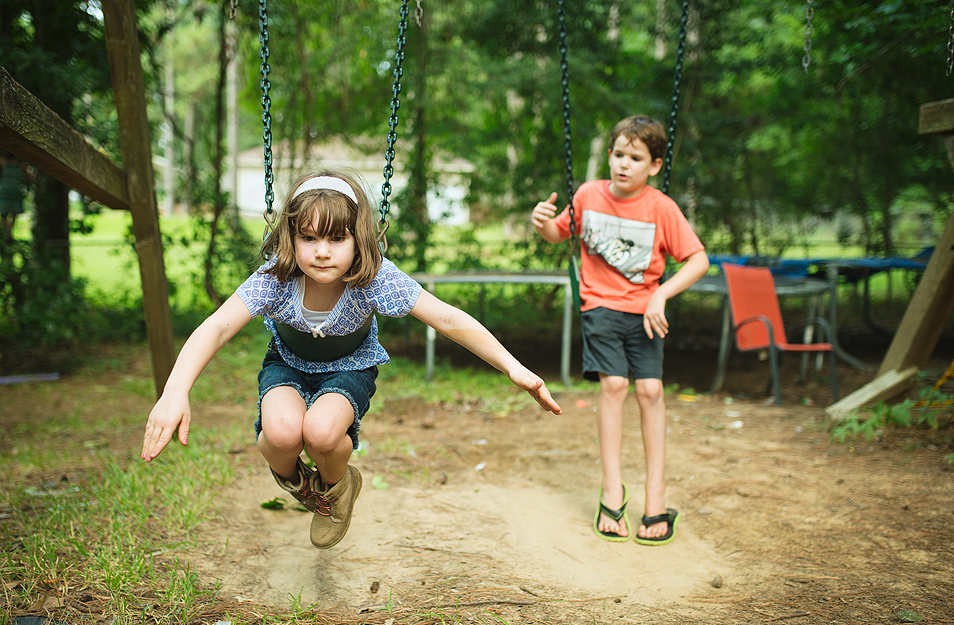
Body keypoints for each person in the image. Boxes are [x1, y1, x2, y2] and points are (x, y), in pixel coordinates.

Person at [143, 169, 562, 549]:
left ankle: (336, 487)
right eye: (308, 238)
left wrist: (513, 366)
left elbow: (448, 318)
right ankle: (298, 483)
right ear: (291, 238)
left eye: (336, 238)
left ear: (357, 239)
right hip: (288, 363)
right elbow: (216, 327)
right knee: (283, 434)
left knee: (322, 433)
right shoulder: (276, 278)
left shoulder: (376, 278)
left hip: (351, 365)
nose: (322, 252)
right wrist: (176, 390)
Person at [531, 115, 708, 545]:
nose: (623, 164)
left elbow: (698, 260)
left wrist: (661, 295)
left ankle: (656, 497)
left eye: (635, 157)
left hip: (646, 309)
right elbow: (560, 233)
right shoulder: (589, 194)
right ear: (609, 155)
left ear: (654, 165)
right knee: (613, 386)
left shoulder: (661, 208)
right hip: (601, 307)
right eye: (618, 155)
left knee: (650, 391)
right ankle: (612, 490)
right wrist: (543, 224)